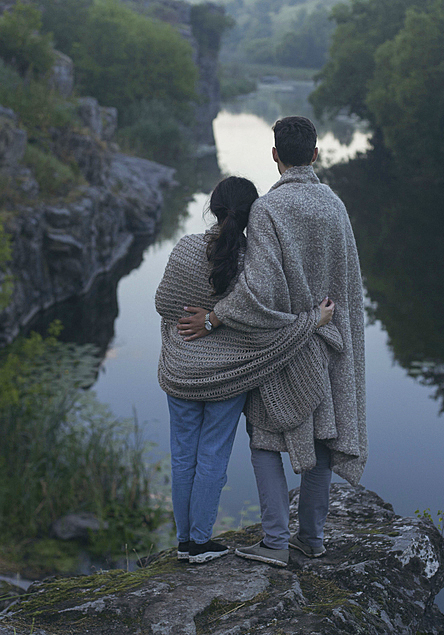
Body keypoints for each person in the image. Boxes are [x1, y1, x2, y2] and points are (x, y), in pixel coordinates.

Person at [177, 116, 366, 567]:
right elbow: (351, 287)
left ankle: (275, 542)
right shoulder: (335, 206)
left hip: (280, 344)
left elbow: (257, 289)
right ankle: (312, 539)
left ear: (275, 156)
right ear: (315, 155)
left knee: (265, 438)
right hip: (328, 342)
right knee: (322, 437)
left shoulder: (268, 209)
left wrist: (214, 319)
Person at [155, 175, 338, 565]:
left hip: (181, 373)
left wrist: (192, 327)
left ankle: (185, 541)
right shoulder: (256, 264)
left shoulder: (187, 249)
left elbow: (163, 304)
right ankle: (201, 542)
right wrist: (313, 321)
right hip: (229, 376)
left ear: (213, 207)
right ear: (255, 213)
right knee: (212, 458)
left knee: (183, 457)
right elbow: (267, 320)